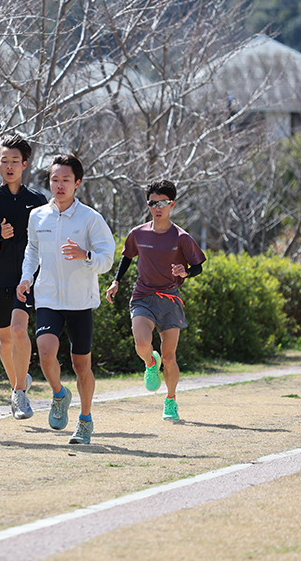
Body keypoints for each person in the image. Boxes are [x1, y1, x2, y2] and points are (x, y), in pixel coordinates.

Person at [16, 154, 115, 445]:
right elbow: (32, 251)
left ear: (78, 183)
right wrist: (26, 277)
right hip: (47, 296)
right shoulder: (38, 216)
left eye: (66, 180)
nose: (59, 185)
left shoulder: (90, 219)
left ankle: (85, 420)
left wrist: (85, 256)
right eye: (55, 179)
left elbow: (107, 259)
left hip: (80, 301)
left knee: (81, 365)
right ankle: (59, 394)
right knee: (45, 352)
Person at [105, 180, 205, 421]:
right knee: (141, 343)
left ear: (171, 204)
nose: (157, 208)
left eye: (162, 203)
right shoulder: (138, 233)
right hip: (143, 297)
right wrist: (116, 281)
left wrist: (186, 272)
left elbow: (198, 266)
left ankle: (170, 400)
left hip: (170, 299)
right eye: (152, 203)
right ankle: (151, 363)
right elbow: (127, 257)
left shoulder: (181, 236)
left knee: (169, 357)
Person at [0, 134, 48, 421]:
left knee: (19, 330)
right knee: (5, 339)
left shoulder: (38, 201)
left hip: (27, 278)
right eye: (4, 160)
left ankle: (18, 392)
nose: (9, 166)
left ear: (24, 164)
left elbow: (47, 238)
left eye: (15, 161)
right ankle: (20, 383)